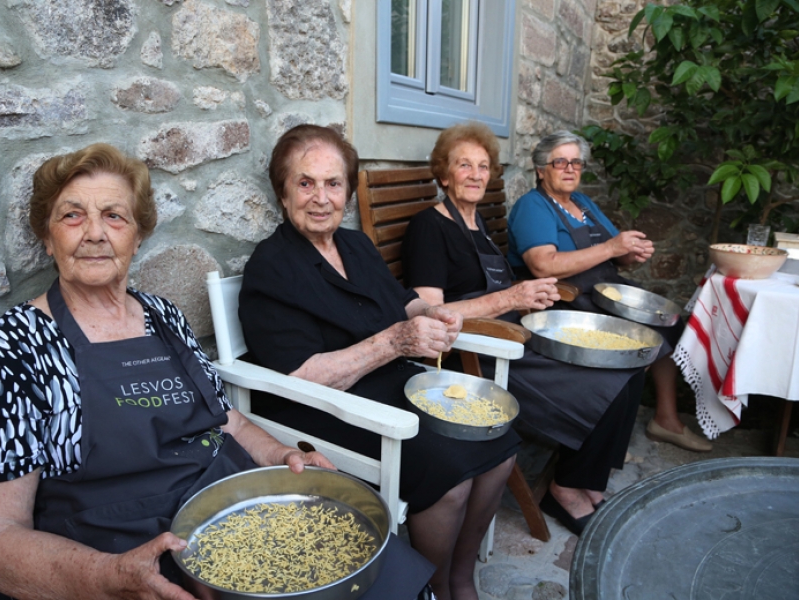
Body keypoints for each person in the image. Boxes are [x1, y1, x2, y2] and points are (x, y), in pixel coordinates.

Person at [0, 143, 426, 600]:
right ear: (48, 238)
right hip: (121, 547)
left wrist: (280, 455)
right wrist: (105, 576)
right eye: (72, 215)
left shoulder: (163, 316)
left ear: (137, 237)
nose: (94, 232)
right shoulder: (20, 344)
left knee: (384, 572)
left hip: (230, 512)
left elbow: (227, 420)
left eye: (114, 216)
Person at [238, 124, 519, 600]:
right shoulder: (271, 267)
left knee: (501, 442)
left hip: (391, 383)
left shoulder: (356, 246)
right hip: (322, 405)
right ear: (283, 193)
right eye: (305, 183)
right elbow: (304, 375)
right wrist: (396, 342)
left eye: (333, 184)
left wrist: (431, 315)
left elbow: (402, 302)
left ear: (347, 191)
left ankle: (459, 577)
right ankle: (429, 588)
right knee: (447, 474)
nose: (321, 197)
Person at [402, 121, 646, 536]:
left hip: (511, 329)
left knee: (625, 367)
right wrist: (511, 299)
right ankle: (564, 490)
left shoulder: (477, 224)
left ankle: (585, 477)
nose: (477, 174)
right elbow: (430, 314)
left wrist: (527, 294)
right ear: (443, 174)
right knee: (604, 382)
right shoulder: (429, 227)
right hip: (478, 350)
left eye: (483, 166)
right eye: (464, 165)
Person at [506, 130, 711, 453]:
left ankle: (665, 419)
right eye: (560, 162)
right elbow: (543, 265)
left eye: (577, 162)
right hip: (566, 299)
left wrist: (629, 253)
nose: (571, 168)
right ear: (540, 169)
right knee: (642, 339)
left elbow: (613, 251)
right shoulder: (533, 207)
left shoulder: (582, 203)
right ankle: (609, 425)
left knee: (670, 321)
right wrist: (612, 247)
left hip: (604, 291)